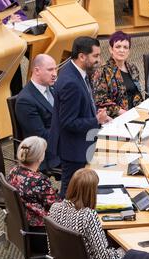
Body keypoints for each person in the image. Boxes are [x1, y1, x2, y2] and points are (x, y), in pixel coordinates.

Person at [49, 36, 110, 198]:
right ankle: (59, 222)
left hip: (80, 143)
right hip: (73, 149)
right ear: (82, 56)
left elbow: (82, 104)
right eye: (95, 56)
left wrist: (96, 114)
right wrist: (96, 121)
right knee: (69, 191)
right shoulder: (71, 82)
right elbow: (68, 122)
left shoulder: (75, 70)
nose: (99, 60)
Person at [48, 168, 124, 259]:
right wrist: (124, 251)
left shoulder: (55, 207)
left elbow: (51, 248)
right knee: (131, 254)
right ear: (91, 192)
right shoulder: (88, 215)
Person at [7, 136, 60, 252]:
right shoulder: (39, 180)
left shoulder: (13, 171)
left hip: (23, 230)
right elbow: (57, 208)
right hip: (42, 235)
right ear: (40, 157)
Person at [15, 54, 60, 171]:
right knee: (87, 157)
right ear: (37, 71)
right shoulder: (25, 101)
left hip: (61, 141)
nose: (55, 74)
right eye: (50, 70)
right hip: (47, 153)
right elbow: (41, 137)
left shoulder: (52, 88)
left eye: (55, 69)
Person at [92, 31, 144, 118]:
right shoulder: (102, 71)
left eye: (125, 47)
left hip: (135, 114)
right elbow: (100, 101)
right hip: (114, 118)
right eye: (118, 46)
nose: (122, 50)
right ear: (111, 49)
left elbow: (137, 93)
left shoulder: (133, 68)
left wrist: (141, 110)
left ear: (129, 51)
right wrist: (125, 113)